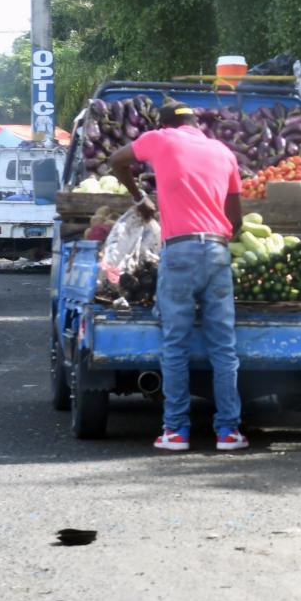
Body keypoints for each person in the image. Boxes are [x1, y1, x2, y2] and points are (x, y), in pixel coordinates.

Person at [108, 101, 248, 453]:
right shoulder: (223, 151)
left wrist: (140, 197)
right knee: (224, 347)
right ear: (196, 123)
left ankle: (176, 432)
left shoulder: (160, 139)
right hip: (217, 250)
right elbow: (237, 220)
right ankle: (228, 432)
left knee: (175, 343)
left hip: (179, 252)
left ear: (165, 124)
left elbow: (116, 161)